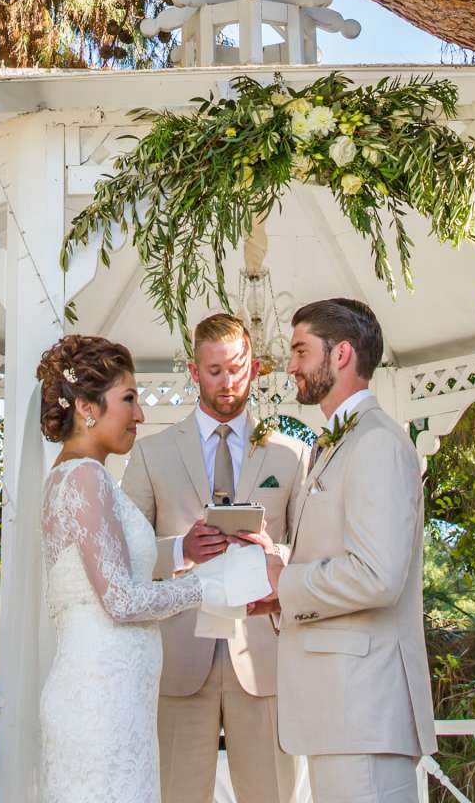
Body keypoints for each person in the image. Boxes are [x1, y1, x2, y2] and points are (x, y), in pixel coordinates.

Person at [36, 334, 243, 803]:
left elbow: (110, 564)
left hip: (114, 697)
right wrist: (207, 585)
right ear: (87, 407)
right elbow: (122, 600)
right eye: (129, 399)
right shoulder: (87, 477)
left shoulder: (80, 474)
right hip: (100, 701)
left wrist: (182, 552)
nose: (140, 414)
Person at [118, 312, 304, 803]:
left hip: (262, 660)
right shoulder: (152, 454)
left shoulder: (290, 455)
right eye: (215, 370)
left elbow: (310, 552)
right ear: (194, 371)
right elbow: (120, 557)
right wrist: (181, 548)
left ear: (256, 368)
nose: (227, 382)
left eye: (237, 369)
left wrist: (272, 553)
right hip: (179, 658)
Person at [254, 298, 433, 803]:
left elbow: (377, 576)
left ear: (341, 355)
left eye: (300, 350)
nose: (290, 365)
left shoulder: (377, 443)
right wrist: (280, 588)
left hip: (365, 712)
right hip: (340, 712)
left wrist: (283, 582)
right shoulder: (334, 443)